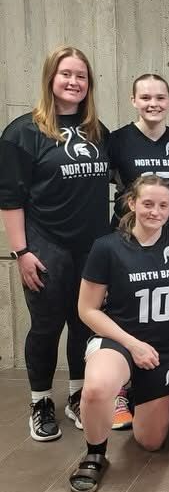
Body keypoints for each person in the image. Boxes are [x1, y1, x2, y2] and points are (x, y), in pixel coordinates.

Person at [0, 45, 110, 441]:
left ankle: (77, 396)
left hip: (93, 248)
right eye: (66, 74)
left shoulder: (98, 130)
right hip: (46, 246)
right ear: (51, 78)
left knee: (86, 325)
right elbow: (10, 198)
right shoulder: (22, 132)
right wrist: (22, 252)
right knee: (46, 327)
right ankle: (41, 400)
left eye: (81, 76)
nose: (74, 82)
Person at [70, 175, 169, 492]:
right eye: (148, 203)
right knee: (97, 388)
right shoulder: (108, 247)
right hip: (120, 341)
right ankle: (95, 453)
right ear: (132, 203)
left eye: (163, 205)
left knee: (150, 442)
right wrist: (132, 344)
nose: (155, 211)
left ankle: (137, 391)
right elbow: (88, 309)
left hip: (164, 350)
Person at [108, 73, 169, 231]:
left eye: (160, 98)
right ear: (134, 100)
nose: (153, 104)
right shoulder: (116, 140)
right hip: (129, 230)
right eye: (145, 98)